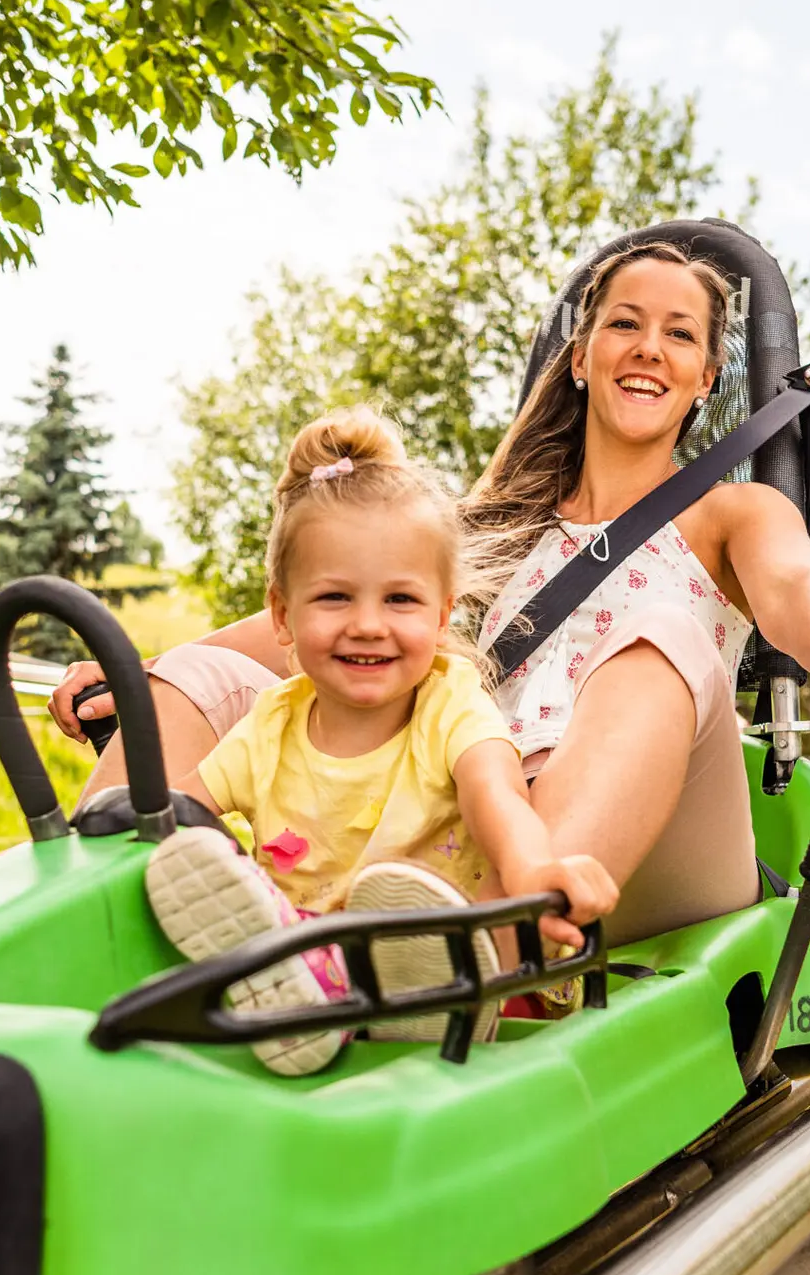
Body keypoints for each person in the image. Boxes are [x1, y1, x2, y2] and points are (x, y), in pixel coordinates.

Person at [53, 241, 810, 948]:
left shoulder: (733, 514)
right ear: (582, 360)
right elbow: (310, 627)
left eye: (680, 335)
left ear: (708, 376)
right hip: (473, 818)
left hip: (654, 837)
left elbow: (798, 592)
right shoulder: (486, 526)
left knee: (663, 630)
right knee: (197, 678)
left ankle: (481, 956)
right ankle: (81, 913)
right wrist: (141, 672)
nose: (650, 347)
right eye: (626, 325)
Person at [141, 411, 618, 1076]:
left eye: (400, 600)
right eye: (335, 597)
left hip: (472, 979)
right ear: (283, 614)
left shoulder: (449, 703)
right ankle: (302, 993)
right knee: (180, 852)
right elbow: (177, 809)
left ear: (442, 613)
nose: (368, 626)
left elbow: (498, 797)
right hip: (311, 971)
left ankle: (364, 993)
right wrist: (137, 832)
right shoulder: (272, 722)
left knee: (405, 898)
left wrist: (535, 872)